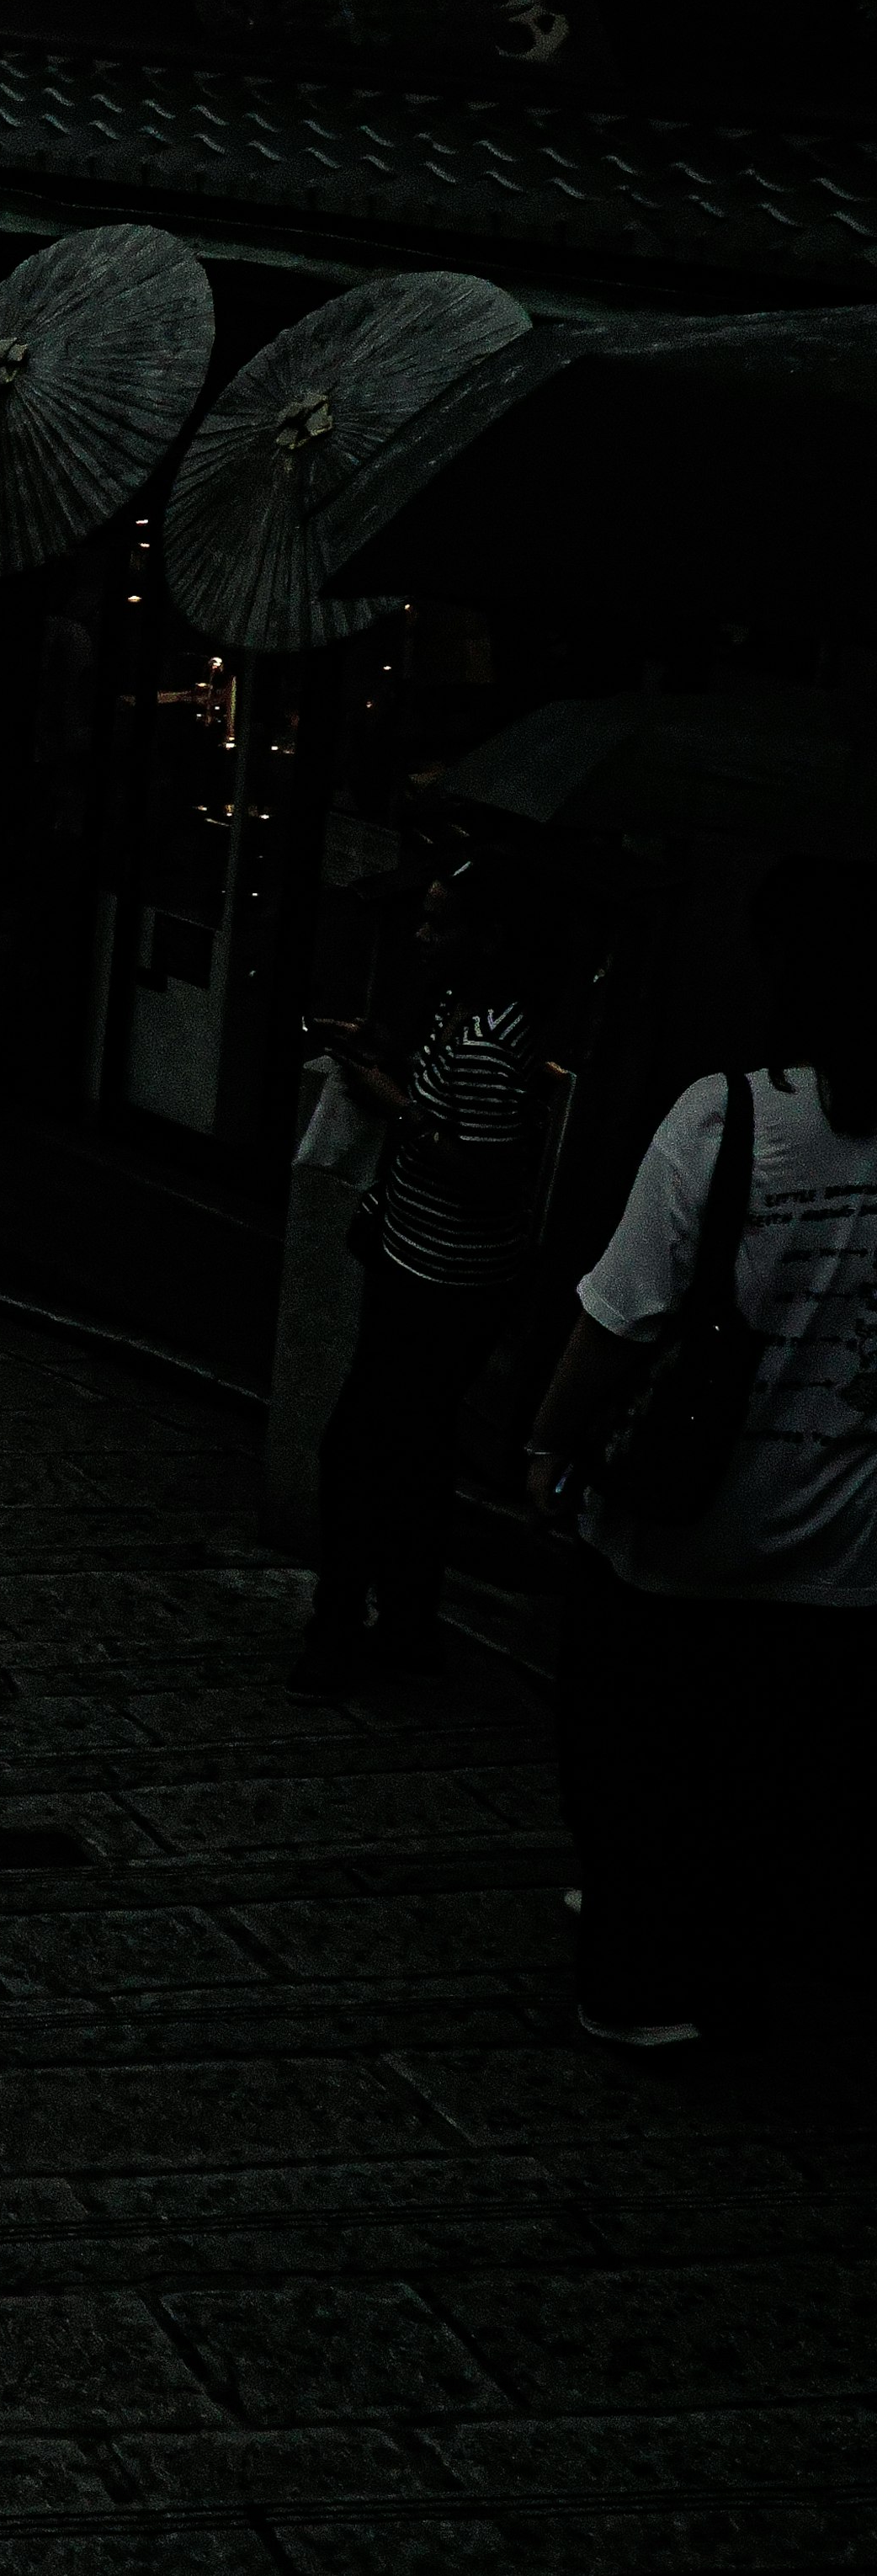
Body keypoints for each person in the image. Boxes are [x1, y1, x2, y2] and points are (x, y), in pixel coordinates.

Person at [526, 855, 877, 2049]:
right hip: (842, 1542)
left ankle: (632, 1976)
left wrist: (548, 1441)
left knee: (634, 1752)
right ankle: (737, 1972)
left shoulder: (728, 1116)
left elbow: (620, 1318)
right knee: (775, 1771)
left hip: (683, 1519)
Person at [303, 854, 558, 1691]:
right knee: (402, 1451)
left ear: (489, 939)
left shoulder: (492, 1039)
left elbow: (489, 1169)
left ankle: (356, 1624)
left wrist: (394, 1105)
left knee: (372, 1448)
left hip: (444, 1281)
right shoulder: (460, 1010)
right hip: (415, 1253)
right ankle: (392, 1621)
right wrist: (376, 1048)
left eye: (442, 924)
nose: (422, 937)